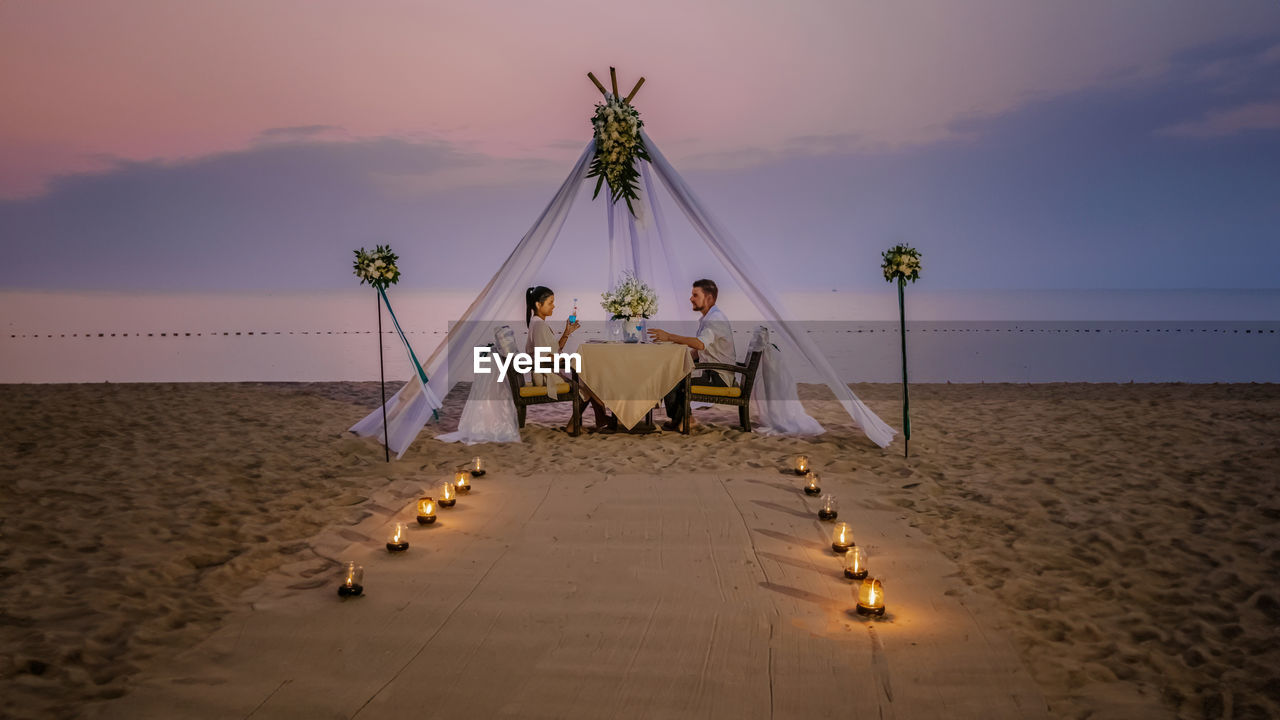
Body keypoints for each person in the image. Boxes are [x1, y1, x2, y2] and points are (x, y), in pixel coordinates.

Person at [647, 279, 734, 430]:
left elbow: (700, 344)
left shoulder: (715, 319)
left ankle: (685, 418)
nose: (691, 298)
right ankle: (683, 418)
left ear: (709, 298)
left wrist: (669, 337)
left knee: (671, 379)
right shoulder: (709, 318)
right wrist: (675, 359)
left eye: (695, 295)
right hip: (712, 372)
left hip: (718, 377)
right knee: (671, 373)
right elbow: (699, 351)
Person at [525, 286, 608, 433]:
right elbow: (543, 357)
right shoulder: (539, 326)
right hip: (545, 376)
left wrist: (566, 333)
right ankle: (602, 412)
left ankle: (599, 416)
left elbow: (551, 351)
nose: (554, 306)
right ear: (538, 305)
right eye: (550, 303)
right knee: (586, 381)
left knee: (586, 380)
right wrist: (565, 360)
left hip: (546, 371)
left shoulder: (537, 323)